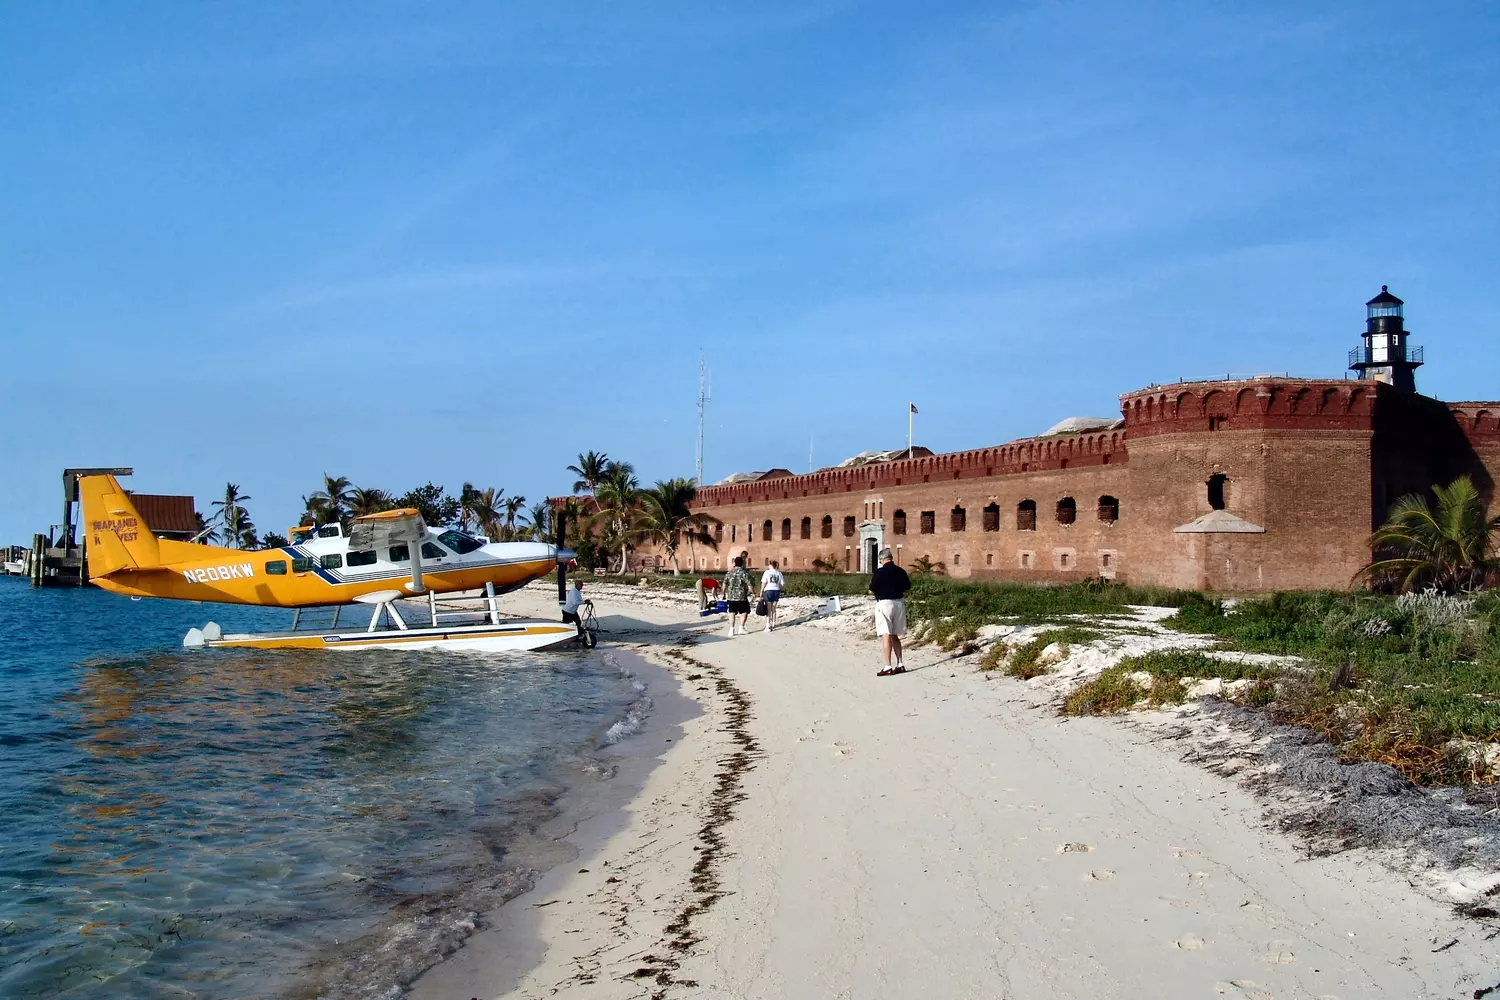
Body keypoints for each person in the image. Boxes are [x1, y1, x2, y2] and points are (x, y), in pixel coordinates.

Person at [869, 547, 911, 675]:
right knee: (895, 634)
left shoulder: (879, 572)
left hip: (885, 603)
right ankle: (900, 663)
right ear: (891, 558)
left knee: (886, 634)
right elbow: (907, 586)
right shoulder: (900, 571)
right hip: (899, 603)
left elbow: (872, 587)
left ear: (881, 559)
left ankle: (888, 666)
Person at [722, 556, 754, 637]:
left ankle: (731, 630)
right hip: (742, 596)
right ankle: (741, 628)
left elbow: (724, 584)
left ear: (734, 563)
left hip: (731, 596)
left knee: (732, 612)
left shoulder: (729, 573)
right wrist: (753, 593)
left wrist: (723, 593)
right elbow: (749, 584)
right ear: (742, 563)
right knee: (744, 612)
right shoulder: (744, 573)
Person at [758, 560, 785, 632]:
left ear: (771, 565)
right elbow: (782, 583)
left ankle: (768, 625)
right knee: (774, 609)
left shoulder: (767, 572)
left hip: (768, 591)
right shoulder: (779, 573)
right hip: (776, 591)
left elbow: (764, 582)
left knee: (768, 609)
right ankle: (773, 624)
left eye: (769, 565)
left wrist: (761, 591)